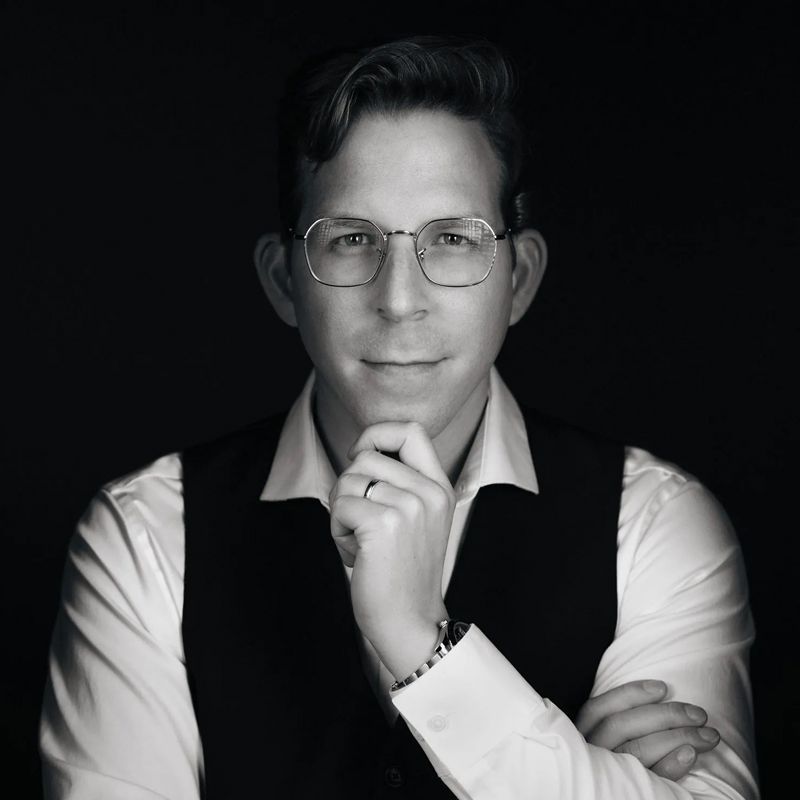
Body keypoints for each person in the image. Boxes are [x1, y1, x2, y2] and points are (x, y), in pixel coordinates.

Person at [39, 35, 758, 799]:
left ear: (518, 280)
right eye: (352, 240)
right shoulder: (148, 537)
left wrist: (421, 642)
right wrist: (568, 769)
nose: (401, 300)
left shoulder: (651, 524)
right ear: (284, 283)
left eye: (452, 240)